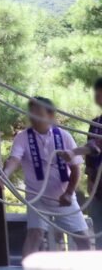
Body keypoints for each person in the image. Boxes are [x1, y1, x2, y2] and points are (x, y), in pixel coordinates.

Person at [1, 96, 91, 257]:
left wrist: (69, 193)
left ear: (50, 115)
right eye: (32, 112)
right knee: (34, 235)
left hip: (63, 197)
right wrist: (5, 174)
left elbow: (76, 169)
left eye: (38, 112)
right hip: (37, 198)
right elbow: (14, 159)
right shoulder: (22, 137)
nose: (34, 116)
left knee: (83, 239)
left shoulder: (64, 136)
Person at [57, 77, 102, 237]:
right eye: (97, 95)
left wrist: (73, 152)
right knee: (99, 233)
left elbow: (96, 146)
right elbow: (91, 152)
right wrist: (90, 179)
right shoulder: (95, 123)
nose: (98, 98)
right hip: (98, 187)